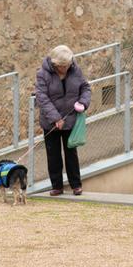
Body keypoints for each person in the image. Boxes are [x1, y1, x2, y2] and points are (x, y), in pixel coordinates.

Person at [35, 45, 90, 196]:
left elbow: (85, 88)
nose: (65, 69)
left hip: (70, 119)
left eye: (67, 65)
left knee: (71, 153)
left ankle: (76, 185)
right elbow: (42, 98)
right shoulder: (42, 74)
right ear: (54, 64)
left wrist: (83, 103)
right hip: (50, 122)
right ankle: (57, 186)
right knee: (53, 155)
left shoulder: (75, 70)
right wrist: (55, 118)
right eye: (61, 66)